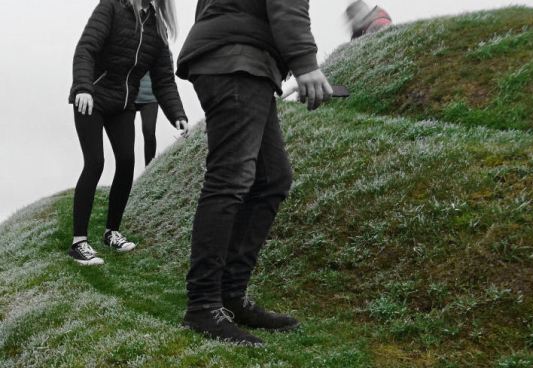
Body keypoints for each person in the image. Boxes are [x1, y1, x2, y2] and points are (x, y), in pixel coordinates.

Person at [176, 0, 334, 344]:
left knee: (271, 179)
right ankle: (203, 305)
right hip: (236, 60)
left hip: (243, 59)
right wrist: (305, 62)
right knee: (230, 179)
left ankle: (230, 295)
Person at [68, 0, 189, 266]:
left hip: (123, 104)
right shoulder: (111, 7)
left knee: (126, 161)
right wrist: (83, 88)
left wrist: (178, 116)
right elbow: (86, 49)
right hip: (92, 98)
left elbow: (164, 79)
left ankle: (112, 231)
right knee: (95, 162)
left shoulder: (157, 26)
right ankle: (79, 242)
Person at [135, 73, 160, 166]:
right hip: (129, 95)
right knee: (126, 136)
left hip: (151, 96)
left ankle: (149, 169)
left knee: (149, 132)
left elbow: (167, 73)